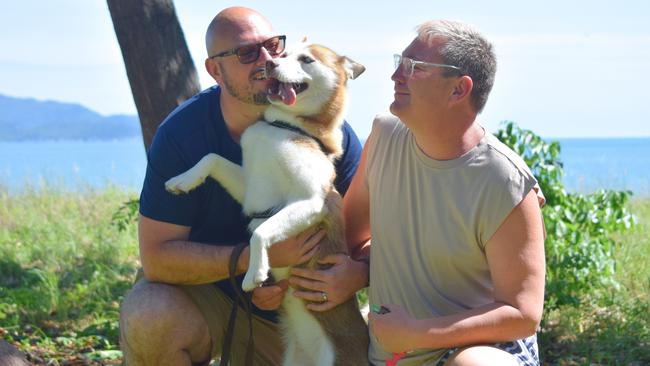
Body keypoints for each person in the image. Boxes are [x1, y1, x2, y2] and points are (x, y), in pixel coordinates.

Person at [118, 7, 363, 366]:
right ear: (215, 70)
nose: (266, 60)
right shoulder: (183, 135)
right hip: (211, 300)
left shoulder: (326, 132)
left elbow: (369, 233)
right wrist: (254, 259)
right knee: (149, 315)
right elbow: (156, 260)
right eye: (247, 53)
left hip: (297, 322)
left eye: (273, 46)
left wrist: (357, 275)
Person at [342, 20, 547, 365]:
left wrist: (416, 333)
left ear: (458, 89)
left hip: (480, 351)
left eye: (415, 68)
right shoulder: (384, 134)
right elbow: (351, 239)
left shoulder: (505, 180)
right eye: (399, 63)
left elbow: (522, 314)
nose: (396, 77)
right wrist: (358, 271)